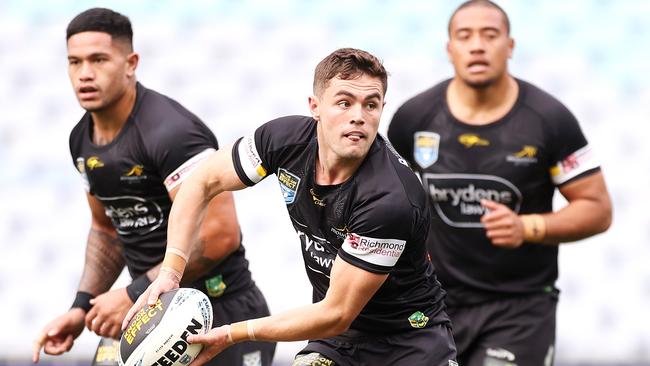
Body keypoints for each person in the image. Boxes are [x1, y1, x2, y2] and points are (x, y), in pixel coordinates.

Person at [124, 47, 458, 366]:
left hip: (409, 344)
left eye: (371, 105)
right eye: (344, 102)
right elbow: (201, 182)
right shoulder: (283, 140)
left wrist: (233, 333)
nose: (358, 116)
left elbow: (336, 313)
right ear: (315, 106)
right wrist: (170, 273)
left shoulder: (389, 199)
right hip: (338, 341)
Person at [31, 8, 275, 366]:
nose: (85, 74)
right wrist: (81, 308)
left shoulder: (171, 132)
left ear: (131, 63)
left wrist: (132, 293)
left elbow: (220, 234)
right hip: (146, 313)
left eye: (98, 59)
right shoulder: (80, 140)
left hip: (216, 309)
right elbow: (107, 228)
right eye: (74, 62)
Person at [387, 1, 613, 365]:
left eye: (490, 35)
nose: (477, 45)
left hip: (519, 308)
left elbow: (598, 209)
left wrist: (528, 226)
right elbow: (384, 197)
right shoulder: (414, 118)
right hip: (433, 303)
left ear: (510, 46)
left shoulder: (549, 120)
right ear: (450, 49)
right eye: (465, 36)